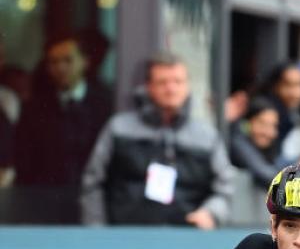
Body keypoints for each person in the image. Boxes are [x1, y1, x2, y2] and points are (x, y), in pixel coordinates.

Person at [79, 52, 234, 228]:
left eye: (178, 82)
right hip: (124, 238)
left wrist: (211, 214)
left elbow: (224, 189)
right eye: (163, 82)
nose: (171, 89)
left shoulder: (207, 136)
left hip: (187, 241)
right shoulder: (118, 128)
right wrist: (96, 231)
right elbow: (93, 184)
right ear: (149, 87)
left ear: (187, 86)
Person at [13, 35, 114, 192]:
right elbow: (25, 161)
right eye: (53, 62)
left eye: (68, 60)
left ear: (85, 62)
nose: (60, 68)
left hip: (92, 194)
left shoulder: (104, 105)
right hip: (45, 197)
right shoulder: (34, 109)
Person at [228, 97, 280, 188]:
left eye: (273, 126)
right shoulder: (237, 142)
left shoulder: (271, 151)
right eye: (262, 124)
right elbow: (265, 174)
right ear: (247, 123)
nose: (268, 132)